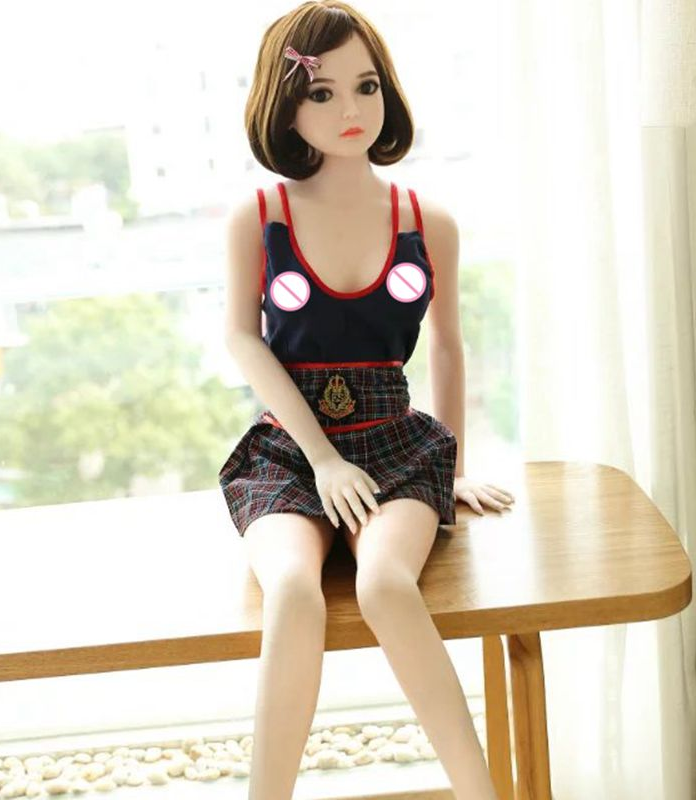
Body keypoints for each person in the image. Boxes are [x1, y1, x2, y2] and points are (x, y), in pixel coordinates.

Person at [219, 2, 515, 798]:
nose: (349, 109)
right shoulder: (261, 215)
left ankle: (479, 791)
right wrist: (320, 458)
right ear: (285, 104)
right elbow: (243, 339)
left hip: (396, 441)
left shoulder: (427, 220)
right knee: (292, 589)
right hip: (288, 449)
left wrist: (452, 466)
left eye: (366, 86)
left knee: (386, 584)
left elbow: (448, 346)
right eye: (321, 93)